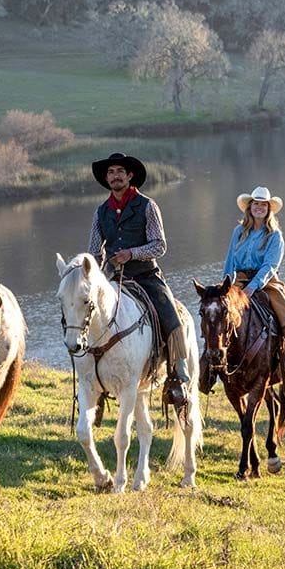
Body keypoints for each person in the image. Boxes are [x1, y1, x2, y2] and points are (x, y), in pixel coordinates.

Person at [86, 152, 188, 406]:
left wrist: (132, 253)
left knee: (170, 315)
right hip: (114, 278)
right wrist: (91, 273)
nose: (115, 176)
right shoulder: (101, 212)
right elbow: (94, 250)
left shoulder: (147, 205)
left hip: (145, 276)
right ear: (106, 178)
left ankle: (178, 375)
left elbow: (159, 245)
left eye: (120, 171)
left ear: (130, 176)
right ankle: (93, 382)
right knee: (87, 318)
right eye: (111, 172)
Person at [220, 185, 285, 386]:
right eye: (256, 204)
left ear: (268, 209)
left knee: (284, 309)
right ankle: (211, 364)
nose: (259, 207)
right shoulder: (238, 231)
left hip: (265, 281)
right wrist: (226, 287)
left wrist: (253, 286)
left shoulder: (274, 235)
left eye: (263, 205)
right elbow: (230, 261)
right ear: (250, 207)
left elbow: (270, 266)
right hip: (238, 279)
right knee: (217, 310)